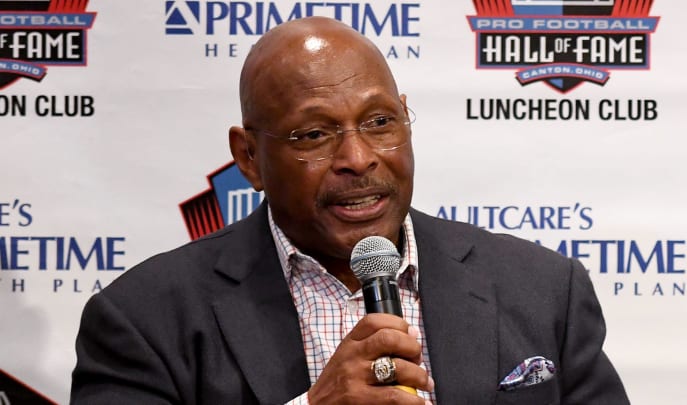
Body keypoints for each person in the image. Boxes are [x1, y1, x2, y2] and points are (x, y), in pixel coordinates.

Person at [71, 16, 629, 405]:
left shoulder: (543, 289)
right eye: (313, 134)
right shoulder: (141, 319)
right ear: (249, 158)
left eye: (380, 122)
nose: (358, 159)